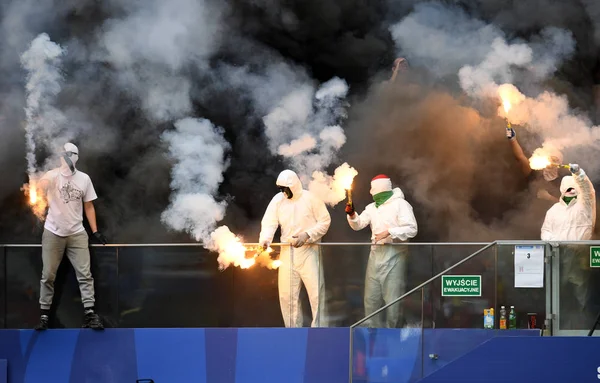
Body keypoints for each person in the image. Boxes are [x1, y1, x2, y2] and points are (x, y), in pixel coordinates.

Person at [34, 143, 107, 331]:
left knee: (85, 274)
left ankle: (90, 314)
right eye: (62, 155)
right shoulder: (51, 175)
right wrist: (39, 186)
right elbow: (39, 188)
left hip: (76, 233)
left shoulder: (84, 179)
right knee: (48, 275)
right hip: (53, 232)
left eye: (69, 155)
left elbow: (89, 206)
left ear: (76, 156)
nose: (65, 158)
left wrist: (95, 231)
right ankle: (44, 315)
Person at [259, 169, 331, 327]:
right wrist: (265, 239)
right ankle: (293, 331)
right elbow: (269, 222)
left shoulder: (310, 198)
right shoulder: (278, 200)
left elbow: (325, 221)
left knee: (316, 293)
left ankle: (320, 330)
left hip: (309, 250)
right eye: (281, 189)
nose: (283, 192)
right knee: (287, 295)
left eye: (285, 189)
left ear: (294, 186)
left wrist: (308, 234)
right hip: (287, 252)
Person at [345, 174, 418, 328]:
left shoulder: (401, 204)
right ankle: (373, 334)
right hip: (375, 254)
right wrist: (352, 215)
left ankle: (393, 333)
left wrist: (389, 232)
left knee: (393, 300)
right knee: (371, 299)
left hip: (395, 254)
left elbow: (412, 229)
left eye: (373, 189)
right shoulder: (372, 208)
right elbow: (359, 224)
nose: (371, 192)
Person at [541, 164, 596, 328]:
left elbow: (588, 190)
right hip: (558, 256)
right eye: (568, 188)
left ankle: (584, 327)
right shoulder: (554, 211)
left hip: (580, 254)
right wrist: (554, 241)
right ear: (562, 189)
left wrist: (579, 173)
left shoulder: (584, 205)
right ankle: (561, 327)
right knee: (559, 293)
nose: (571, 191)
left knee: (582, 293)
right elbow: (545, 231)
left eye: (573, 188)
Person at [506, 127, 560, 203]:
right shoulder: (535, 175)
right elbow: (521, 157)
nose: (552, 162)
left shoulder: (563, 180)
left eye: (555, 160)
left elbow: (570, 206)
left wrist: (549, 198)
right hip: (529, 209)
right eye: (550, 159)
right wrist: (513, 140)